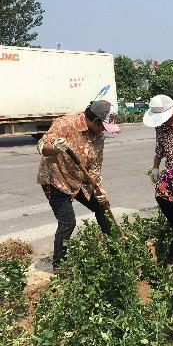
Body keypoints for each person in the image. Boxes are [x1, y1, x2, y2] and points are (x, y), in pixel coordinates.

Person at [36, 100, 119, 271]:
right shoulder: (65, 124)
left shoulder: (98, 137)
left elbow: (95, 167)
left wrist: (99, 190)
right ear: (96, 121)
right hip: (56, 178)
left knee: (101, 206)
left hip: (79, 179)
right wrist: (55, 148)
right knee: (68, 222)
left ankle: (115, 251)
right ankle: (59, 265)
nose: (104, 130)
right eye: (103, 126)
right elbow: (42, 146)